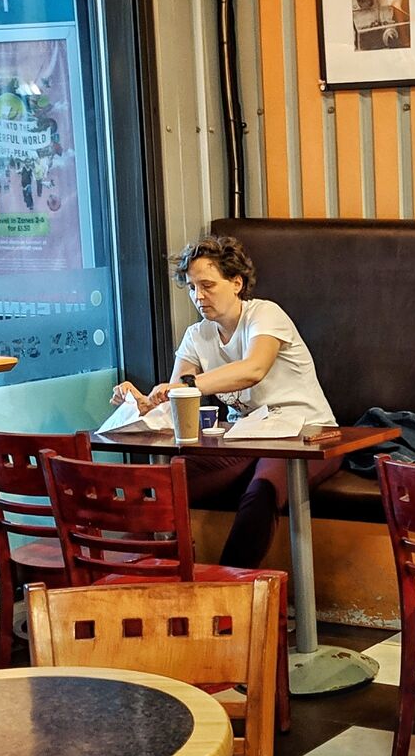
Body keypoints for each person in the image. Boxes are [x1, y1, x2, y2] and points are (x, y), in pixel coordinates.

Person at [112, 233, 341, 568]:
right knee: (158, 487)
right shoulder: (197, 335)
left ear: (236, 283)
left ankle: (229, 594)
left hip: (307, 435)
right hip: (244, 438)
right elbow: (175, 398)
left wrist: (187, 385)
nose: (198, 296)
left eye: (207, 285)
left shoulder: (265, 314)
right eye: (192, 288)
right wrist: (143, 402)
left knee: (260, 494)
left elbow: (253, 369)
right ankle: (146, 578)